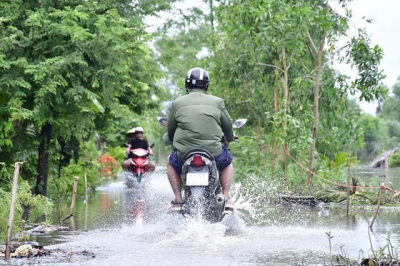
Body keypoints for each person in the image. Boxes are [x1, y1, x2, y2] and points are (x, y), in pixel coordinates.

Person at [166, 67, 235, 212]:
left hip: (184, 153)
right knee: (227, 162)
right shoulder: (217, 102)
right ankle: (227, 196)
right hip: (213, 152)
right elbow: (228, 127)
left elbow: (171, 129)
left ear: (186, 85)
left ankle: (178, 198)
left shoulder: (177, 103)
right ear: (206, 85)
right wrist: (229, 138)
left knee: (170, 164)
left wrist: (174, 142)